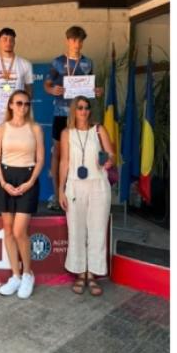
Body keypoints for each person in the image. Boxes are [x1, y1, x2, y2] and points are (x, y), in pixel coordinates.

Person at [57, 96, 114, 296]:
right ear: (74, 110)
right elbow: (64, 162)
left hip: (98, 185)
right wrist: (61, 189)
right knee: (76, 230)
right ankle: (80, 272)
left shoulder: (98, 129)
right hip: (74, 185)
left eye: (87, 107)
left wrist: (108, 161)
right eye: (80, 107)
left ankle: (93, 274)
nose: (84, 111)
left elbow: (111, 154)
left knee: (98, 231)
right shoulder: (67, 133)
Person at [0, 90, 45, 299]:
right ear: (11, 105)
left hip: (28, 179)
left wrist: (30, 182)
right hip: (6, 179)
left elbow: (40, 159)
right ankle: (15, 276)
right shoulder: (1, 128)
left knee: (19, 231)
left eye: (26, 104)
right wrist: (3, 183)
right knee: (8, 230)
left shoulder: (35, 128)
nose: (23, 107)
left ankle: (28, 274)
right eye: (19, 103)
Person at [43, 25, 102, 211]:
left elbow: (90, 86)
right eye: (73, 40)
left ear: (83, 42)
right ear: (67, 41)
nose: (77, 44)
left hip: (80, 116)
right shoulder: (58, 62)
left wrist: (96, 91)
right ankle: (56, 195)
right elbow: (47, 85)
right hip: (61, 113)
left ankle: (76, 195)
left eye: (80, 40)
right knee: (57, 153)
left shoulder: (88, 63)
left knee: (79, 153)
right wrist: (52, 89)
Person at [0, 27, 34, 205]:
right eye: (4, 39)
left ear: (14, 41)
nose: (8, 42)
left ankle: (17, 190)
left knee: (18, 154)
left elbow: (29, 89)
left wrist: (23, 106)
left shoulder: (25, 64)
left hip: (17, 119)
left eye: (11, 39)